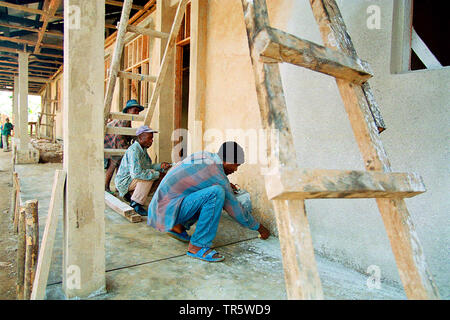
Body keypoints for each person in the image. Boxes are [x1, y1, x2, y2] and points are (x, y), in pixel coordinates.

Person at [148, 141, 270, 263]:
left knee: (212, 192)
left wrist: (226, 184)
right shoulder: (217, 174)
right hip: (166, 211)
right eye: (236, 165)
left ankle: (177, 227)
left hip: (160, 207)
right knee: (217, 193)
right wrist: (259, 227)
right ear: (228, 162)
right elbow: (235, 209)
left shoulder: (205, 156)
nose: (235, 170)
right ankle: (198, 246)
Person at [115, 125, 172, 216]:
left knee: (157, 175)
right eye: (149, 138)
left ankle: (132, 195)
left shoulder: (142, 149)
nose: (151, 141)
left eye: (152, 139)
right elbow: (137, 174)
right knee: (151, 175)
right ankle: (135, 203)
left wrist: (160, 166)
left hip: (131, 180)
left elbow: (147, 166)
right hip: (124, 182)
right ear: (141, 137)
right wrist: (157, 173)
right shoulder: (134, 151)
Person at [104, 99, 144, 193]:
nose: (137, 113)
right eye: (135, 110)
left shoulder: (127, 121)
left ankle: (118, 186)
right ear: (128, 110)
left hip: (115, 142)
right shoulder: (123, 121)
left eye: (138, 111)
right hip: (110, 142)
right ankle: (106, 186)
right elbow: (120, 137)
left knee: (121, 163)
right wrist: (128, 149)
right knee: (113, 164)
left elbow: (127, 134)